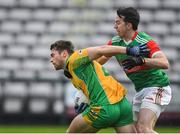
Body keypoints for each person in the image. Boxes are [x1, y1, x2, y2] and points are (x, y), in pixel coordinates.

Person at [96, 7, 172, 133]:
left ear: (129, 25)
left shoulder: (143, 40)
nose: (115, 26)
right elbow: (99, 61)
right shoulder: (116, 42)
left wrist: (141, 60)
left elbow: (164, 63)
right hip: (140, 91)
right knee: (133, 131)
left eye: (118, 22)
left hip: (157, 86)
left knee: (143, 128)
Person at [50, 40, 149, 133]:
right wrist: (85, 99)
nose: (51, 60)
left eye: (53, 55)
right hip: (123, 105)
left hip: (104, 107)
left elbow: (101, 49)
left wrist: (129, 50)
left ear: (64, 54)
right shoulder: (75, 70)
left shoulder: (74, 59)